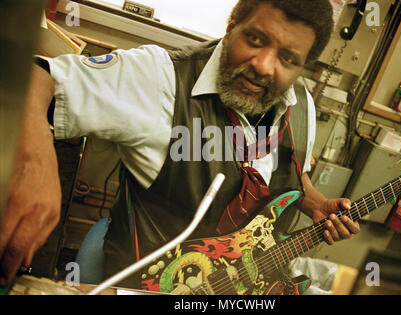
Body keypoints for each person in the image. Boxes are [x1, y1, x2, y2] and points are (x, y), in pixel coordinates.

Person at [0, 0, 360, 292]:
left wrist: (315, 202)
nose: (264, 66)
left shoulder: (302, 108)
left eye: (287, 59)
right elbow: (35, 76)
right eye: (255, 39)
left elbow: (281, 170)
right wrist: (34, 161)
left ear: (303, 66)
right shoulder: (160, 78)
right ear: (231, 24)